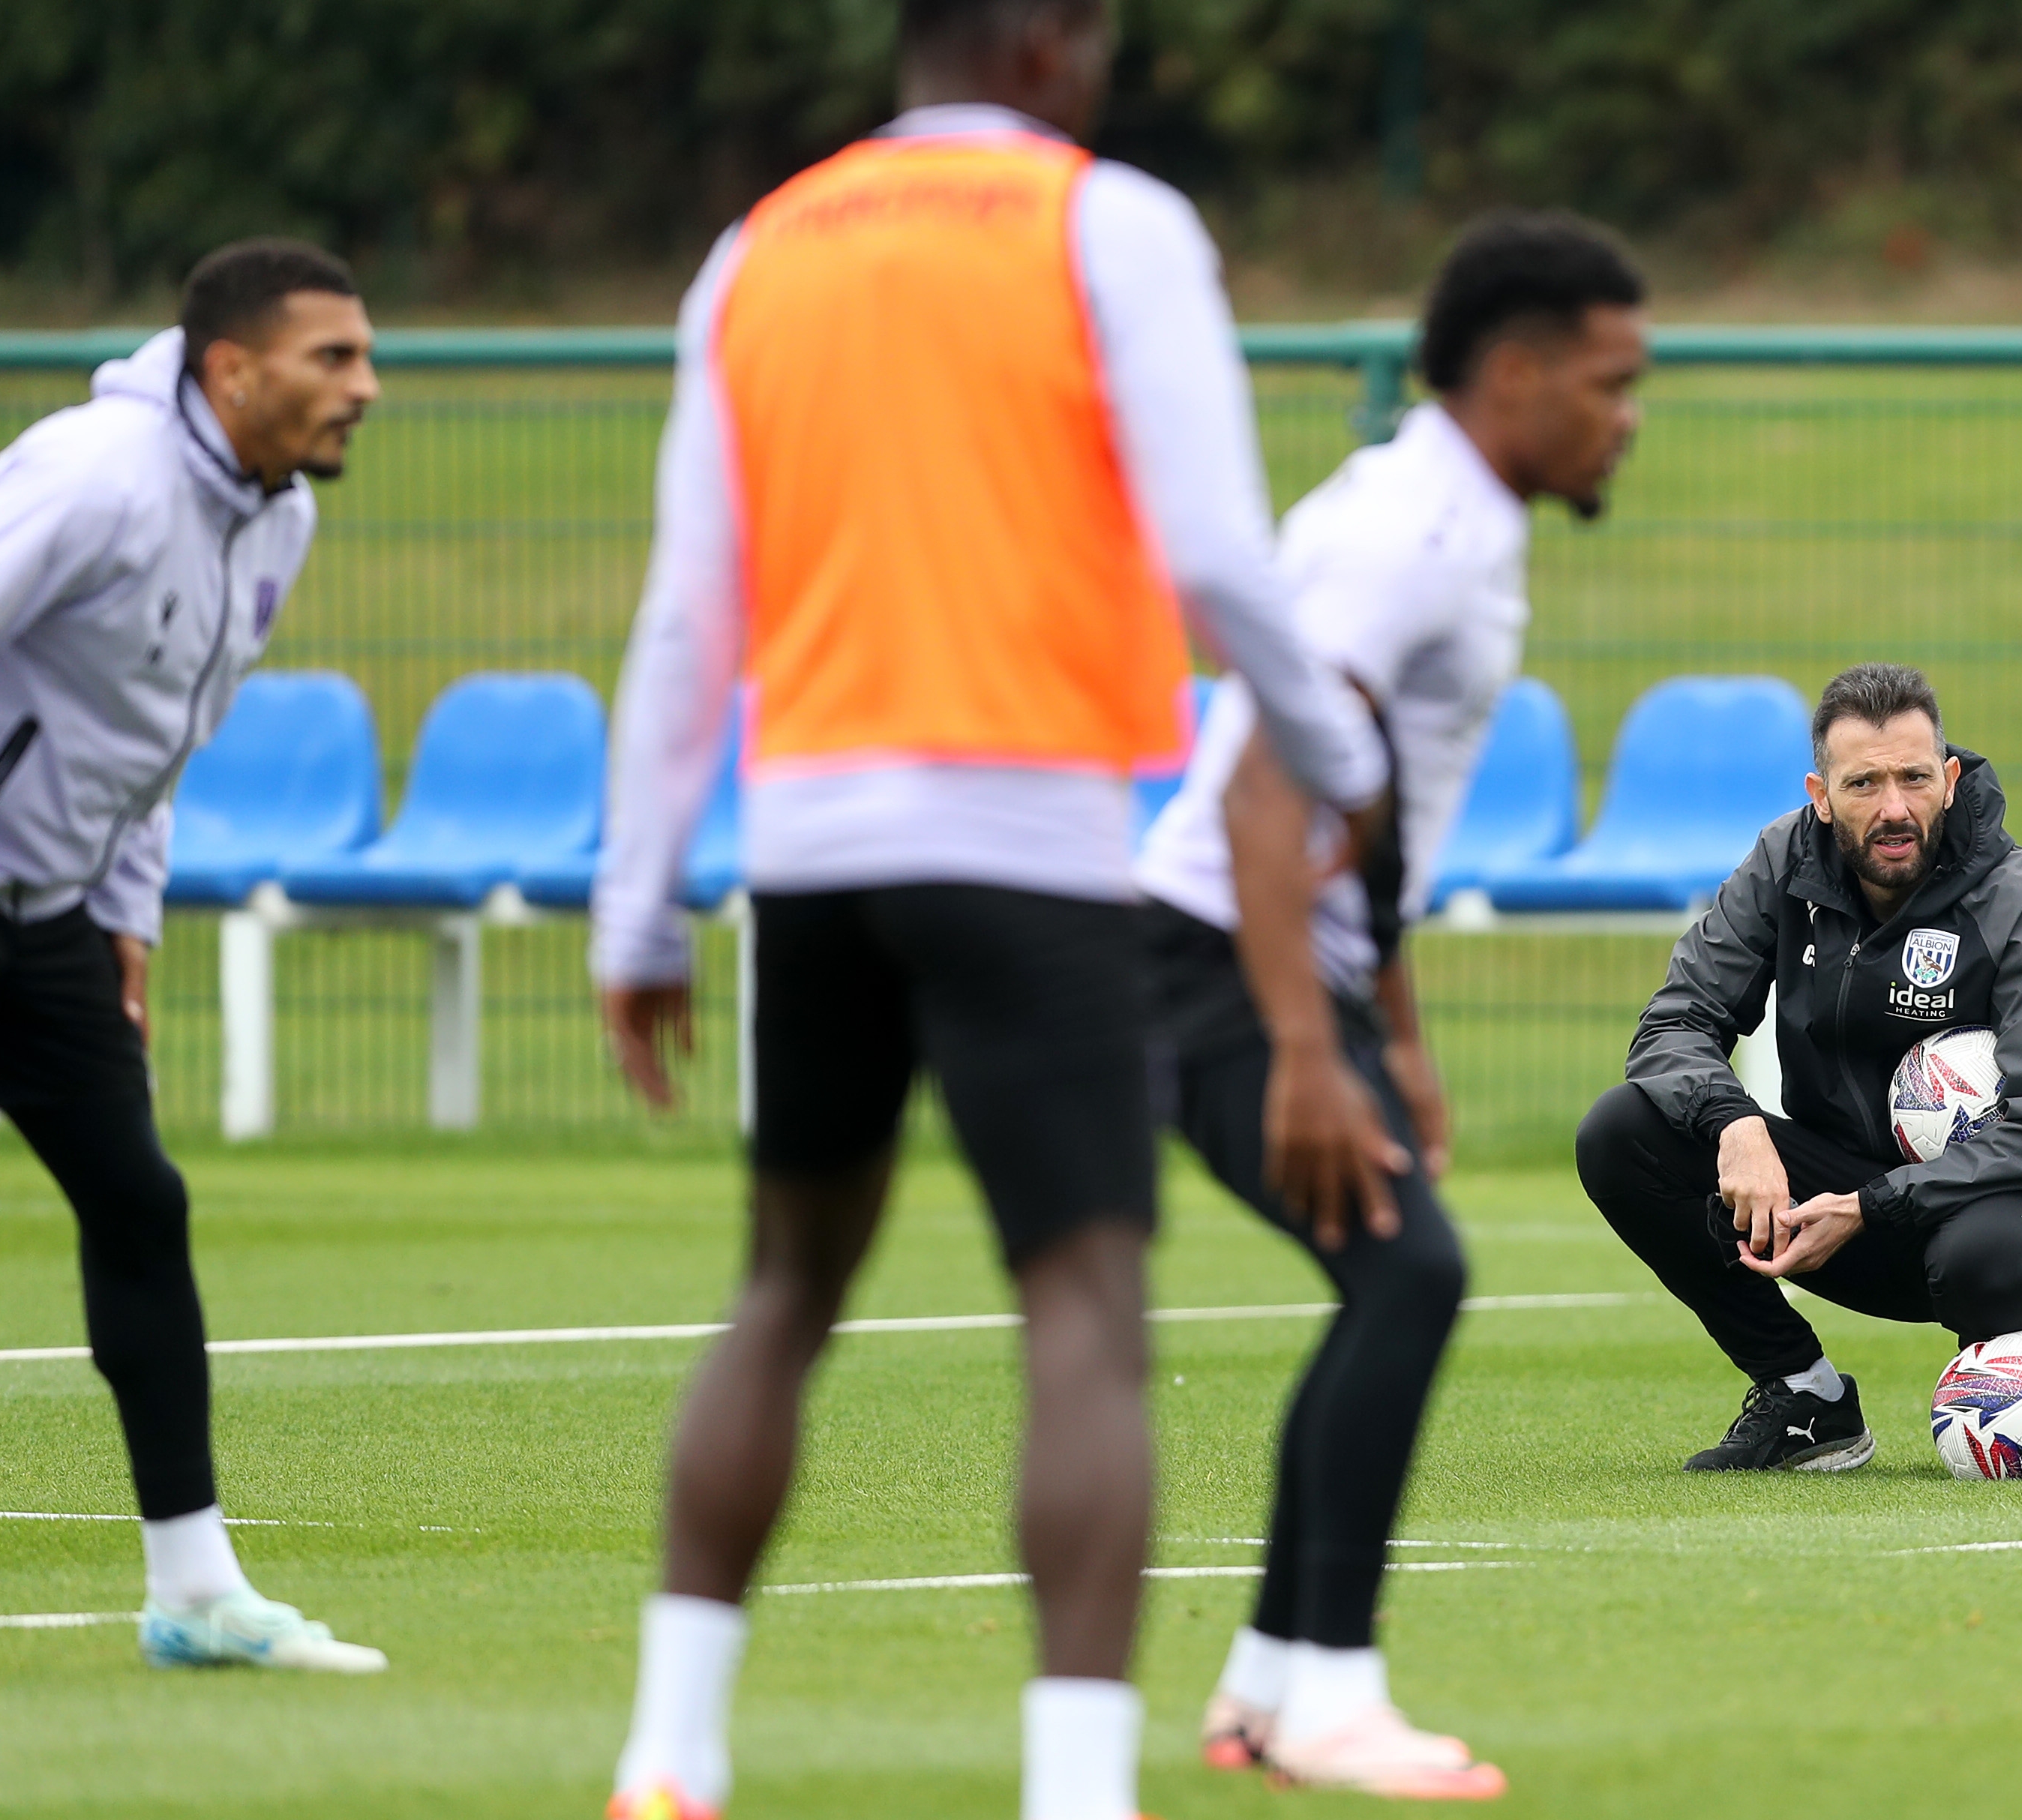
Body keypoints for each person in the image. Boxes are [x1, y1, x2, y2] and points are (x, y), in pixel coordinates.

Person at [585, 0, 1389, 1813]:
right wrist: (1335, 752)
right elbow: (1208, 549)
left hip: (807, 849)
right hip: (1024, 832)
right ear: (1042, 43)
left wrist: (638, 912)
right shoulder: (1111, 223)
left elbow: (681, 614)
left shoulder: (758, 248)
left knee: (785, 1286)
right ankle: (1078, 1781)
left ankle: (669, 1748)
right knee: (1084, 1306)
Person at [1136, 211, 1648, 1798]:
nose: (1626, 416)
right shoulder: (1411, 533)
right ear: (1511, 372)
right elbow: (1260, 796)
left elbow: (1364, 810)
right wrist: (1303, 1045)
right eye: (1608, 381)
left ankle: (1268, 1685)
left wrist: (1393, 1034)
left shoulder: (1457, 516)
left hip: (1279, 958)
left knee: (1390, 1279)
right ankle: (1328, 1693)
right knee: (1409, 1272)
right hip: (1216, 959)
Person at [0, 239, 387, 1683]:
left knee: (137, 1199)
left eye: (367, 359)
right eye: (334, 360)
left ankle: (195, 1592)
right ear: (229, 369)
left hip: (56, 908)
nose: (366, 388)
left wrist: (128, 918)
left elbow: (156, 742)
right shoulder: (92, 478)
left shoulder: (281, 518)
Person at [1574, 663, 2022, 1471]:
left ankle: (2000, 1400)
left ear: (1949, 780)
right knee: (1622, 1131)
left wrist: (1875, 1203)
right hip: (1826, 1210)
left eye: (1914, 779)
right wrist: (1735, 1124)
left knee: (1989, 1256)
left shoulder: (2014, 898)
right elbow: (1675, 1023)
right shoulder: (1784, 861)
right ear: (1820, 795)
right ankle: (1805, 1398)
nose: (1894, 807)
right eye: (1864, 784)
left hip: (1989, 1214)